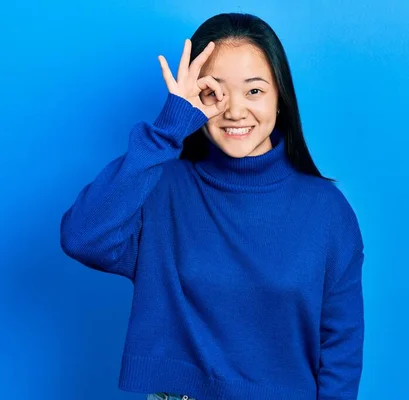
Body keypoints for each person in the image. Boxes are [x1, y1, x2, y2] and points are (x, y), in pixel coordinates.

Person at [60, 12, 365, 400]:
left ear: (280, 96)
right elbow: (82, 237)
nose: (235, 111)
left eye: (254, 91)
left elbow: (341, 346)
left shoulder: (327, 211)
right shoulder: (161, 189)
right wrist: (169, 127)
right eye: (214, 92)